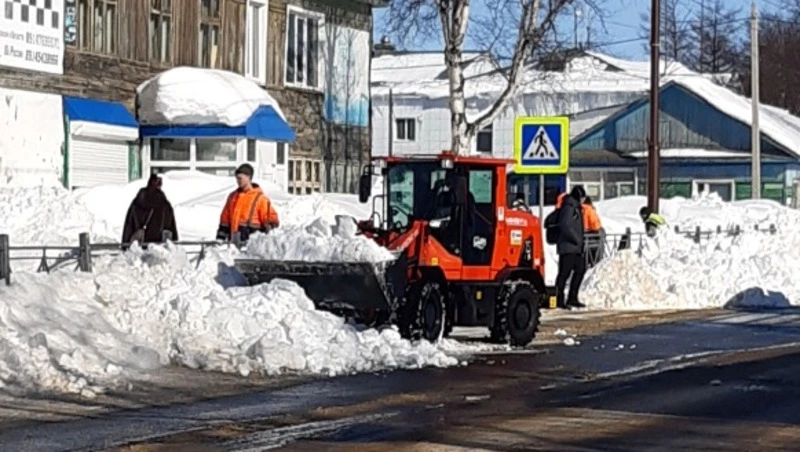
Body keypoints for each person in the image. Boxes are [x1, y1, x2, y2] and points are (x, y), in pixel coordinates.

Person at [217, 163, 280, 242]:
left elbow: (272, 219)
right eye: (237, 178)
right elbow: (224, 221)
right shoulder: (232, 197)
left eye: (240, 178)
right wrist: (220, 238)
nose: (237, 181)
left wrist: (269, 229)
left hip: (251, 245)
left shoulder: (260, 198)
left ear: (248, 177)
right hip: (233, 245)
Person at [122, 174, 178, 247]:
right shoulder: (164, 203)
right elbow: (170, 227)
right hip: (158, 247)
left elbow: (129, 224)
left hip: (140, 245)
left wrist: (125, 243)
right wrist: (174, 244)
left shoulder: (138, 201)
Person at [555, 186, 587, 309]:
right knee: (564, 273)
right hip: (568, 247)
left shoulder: (576, 207)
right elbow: (566, 225)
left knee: (580, 269)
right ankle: (559, 299)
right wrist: (576, 239)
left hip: (575, 247)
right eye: (582, 197)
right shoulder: (568, 207)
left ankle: (572, 297)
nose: (583, 200)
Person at [583, 196, 605, 267]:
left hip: (582, 235)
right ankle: (597, 263)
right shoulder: (589, 209)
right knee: (596, 249)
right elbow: (595, 225)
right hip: (591, 235)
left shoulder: (578, 209)